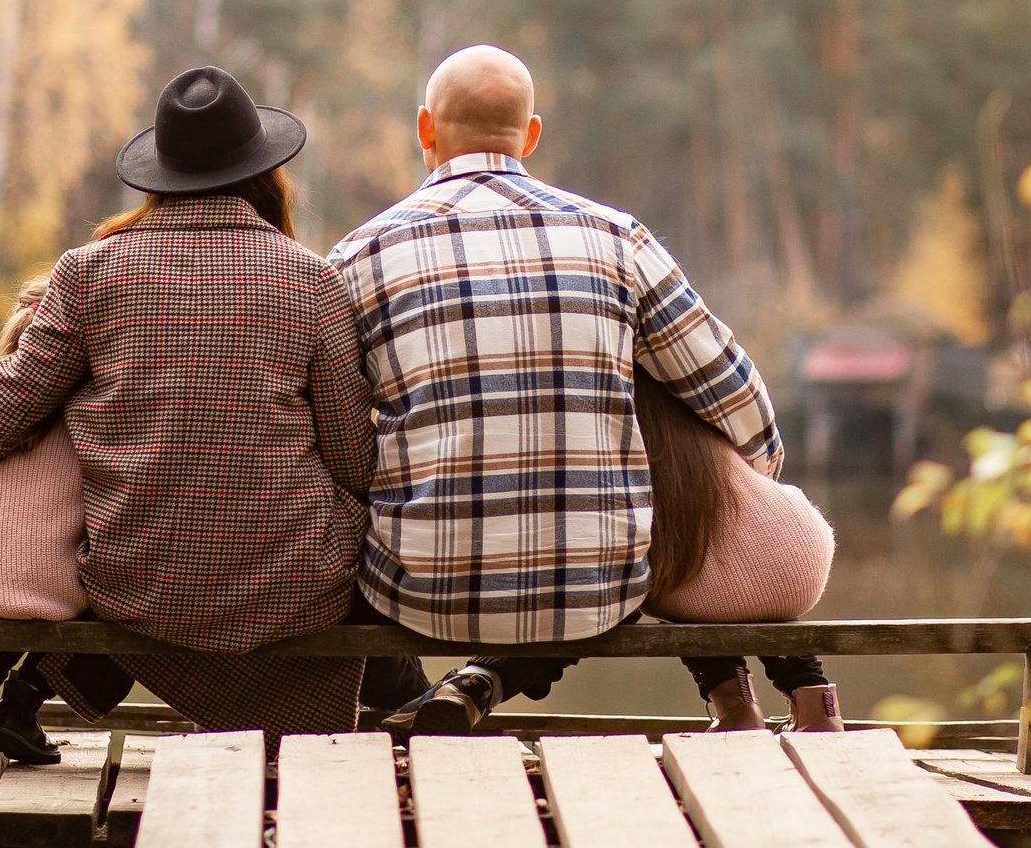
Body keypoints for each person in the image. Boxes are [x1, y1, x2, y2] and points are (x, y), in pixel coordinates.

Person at [330, 44, 816, 733]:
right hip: (599, 587)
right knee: (658, 428)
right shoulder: (616, 237)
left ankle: (455, 687)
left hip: (415, 592)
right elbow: (739, 403)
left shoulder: (357, 256)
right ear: (530, 135)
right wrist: (745, 486)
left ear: (424, 129)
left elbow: (337, 441)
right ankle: (759, 697)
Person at [0, 66, 376, 754]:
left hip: (133, 580)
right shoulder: (313, 280)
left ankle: (9, 691)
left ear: (159, 174)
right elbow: (353, 460)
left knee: (83, 498)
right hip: (287, 589)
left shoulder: (89, 271)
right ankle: (396, 715)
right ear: (266, 173)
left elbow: (2, 410)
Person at [0, 277, 133, 762]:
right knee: (124, 597)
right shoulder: (92, 412)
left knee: (12, 595)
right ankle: (21, 707)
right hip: (42, 583)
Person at [635, 367, 843, 730]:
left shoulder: (621, 427)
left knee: (676, 591)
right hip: (800, 551)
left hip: (701, 583)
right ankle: (819, 708)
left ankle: (737, 708)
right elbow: (765, 449)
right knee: (763, 600)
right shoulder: (702, 402)